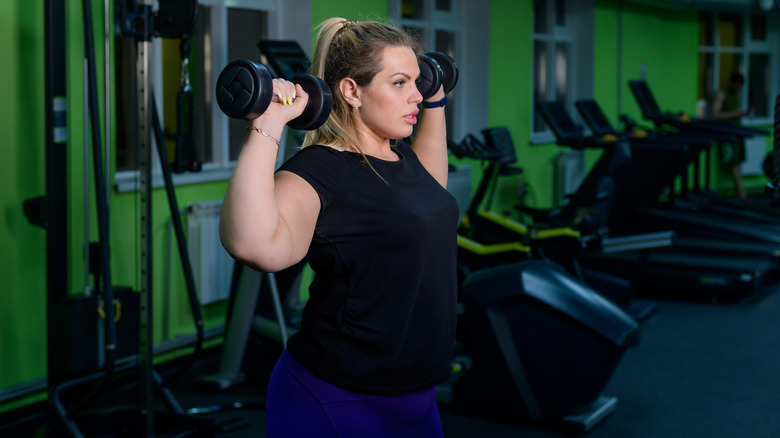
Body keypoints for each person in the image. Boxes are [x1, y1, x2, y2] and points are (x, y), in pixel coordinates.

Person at [219, 17, 458, 438]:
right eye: (400, 83)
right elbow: (257, 247)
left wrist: (435, 100)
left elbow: (434, 196)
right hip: (337, 398)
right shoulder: (318, 170)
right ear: (351, 91)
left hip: (417, 398)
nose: (416, 95)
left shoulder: (404, 160)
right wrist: (269, 122)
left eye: (418, 81)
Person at [711, 72, 750, 199]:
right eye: (737, 86)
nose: (739, 89)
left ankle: (739, 191)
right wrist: (736, 113)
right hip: (727, 133)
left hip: (737, 131)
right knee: (733, 161)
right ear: (733, 83)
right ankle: (740, 191)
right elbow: (715, 115)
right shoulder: (722, 94)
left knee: (738, 161)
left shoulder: (736, 95)